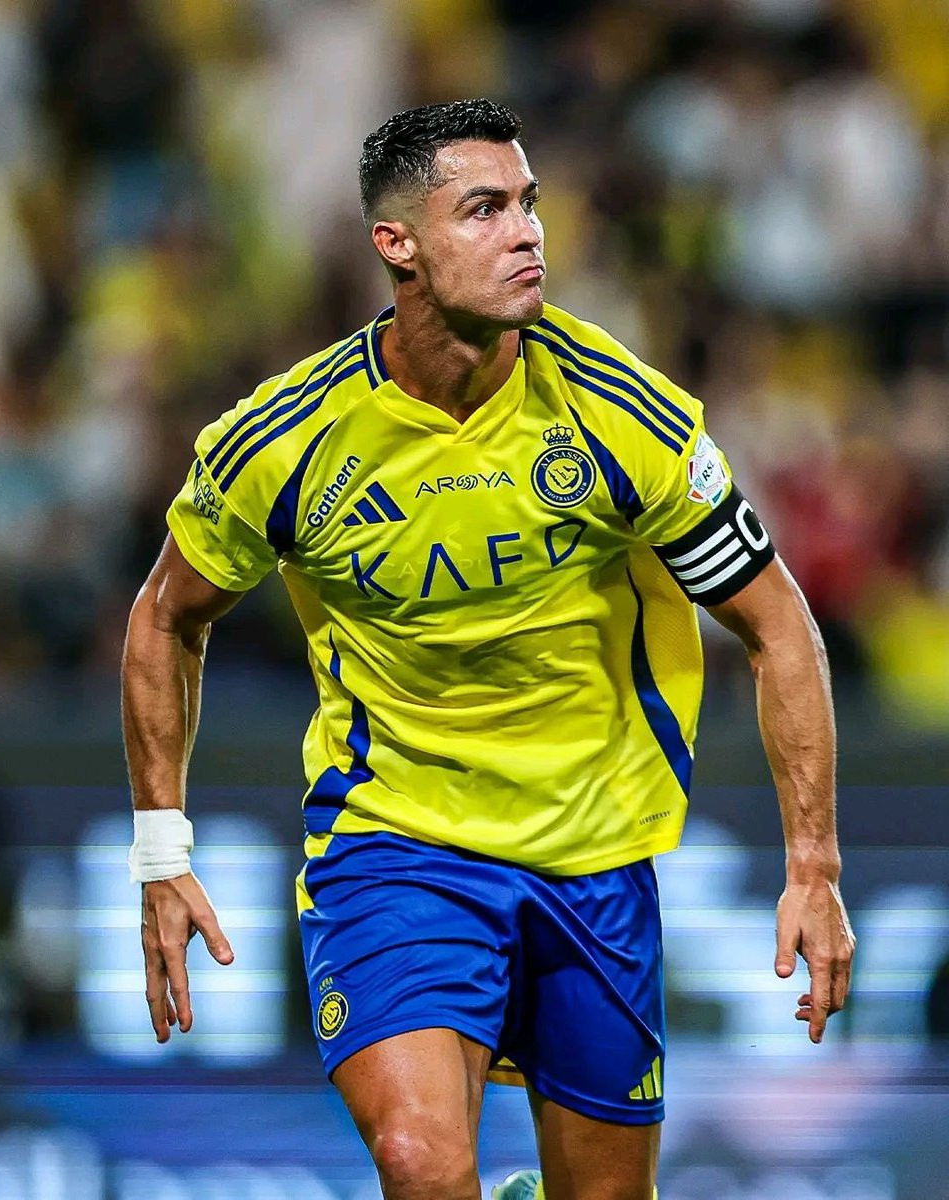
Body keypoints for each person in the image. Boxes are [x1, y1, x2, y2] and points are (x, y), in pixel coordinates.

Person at [122, 99, 856, 1200]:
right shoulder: (288, 441)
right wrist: (160, 852)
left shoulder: (622, 417)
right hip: (396, 845)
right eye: (485, 209)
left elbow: (778, 623)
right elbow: (164, 617)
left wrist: (814, 869)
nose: (527, 234)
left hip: (591, 854)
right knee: (422, 1162)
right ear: (398, 244)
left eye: (529, 204)